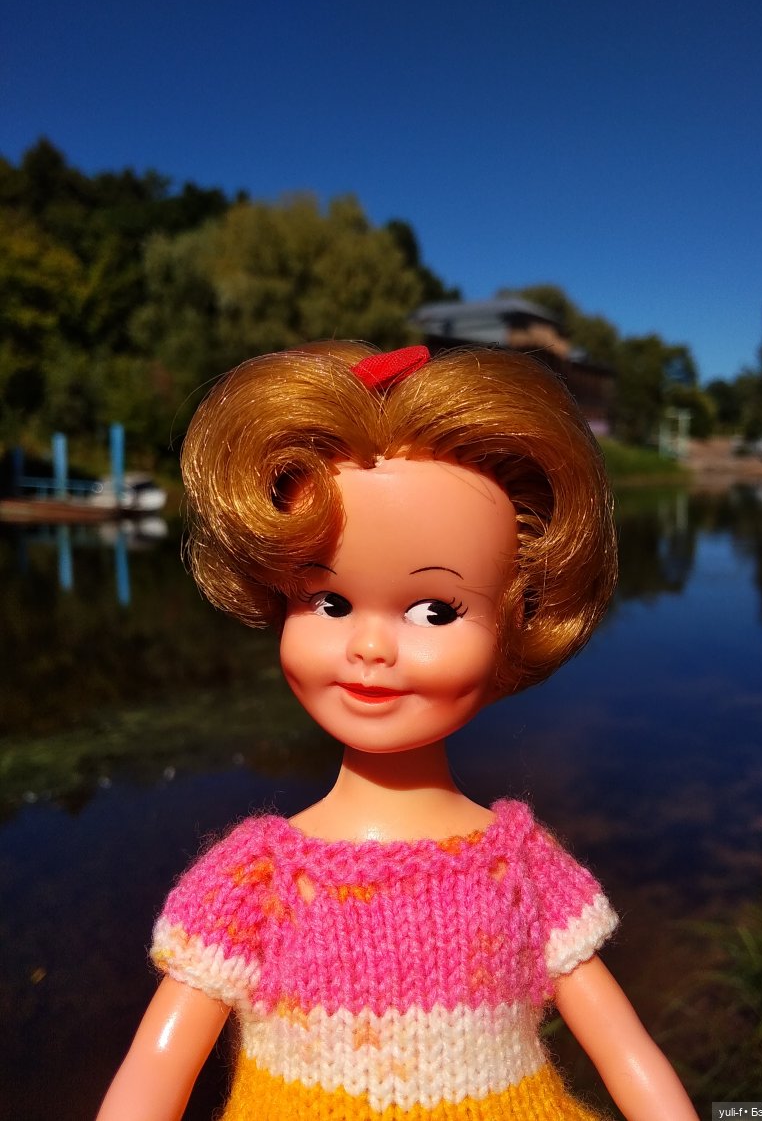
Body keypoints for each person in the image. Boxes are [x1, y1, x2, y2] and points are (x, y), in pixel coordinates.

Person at [97, 342, 697, 1121]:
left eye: (435, 611)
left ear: (516, 620)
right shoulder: (256, 882)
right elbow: (155, 1068)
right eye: (329, 603)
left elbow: (625, 1050)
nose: (371, 647)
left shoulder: (517, 867)